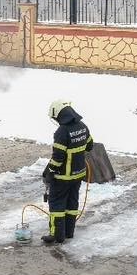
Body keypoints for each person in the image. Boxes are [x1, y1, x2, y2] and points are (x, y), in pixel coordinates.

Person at [41, 100, 93, 245]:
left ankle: (57, 235)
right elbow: (89, 146)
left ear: (59, 114)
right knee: (72, 202)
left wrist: (50, 171)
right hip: (78, 174)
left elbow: (58, 158)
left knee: (56, 203)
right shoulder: (82, 126)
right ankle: (69, 232)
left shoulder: (62, 132)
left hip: (63, 176)